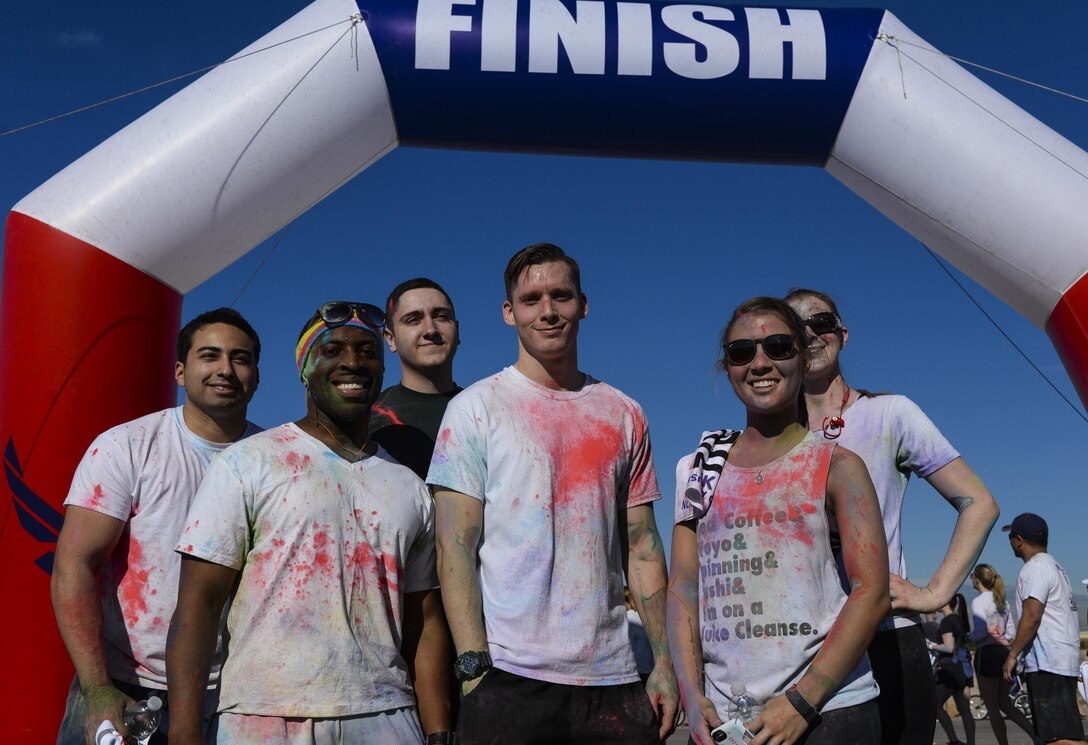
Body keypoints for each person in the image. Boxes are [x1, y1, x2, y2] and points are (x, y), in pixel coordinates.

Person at [166, 301, 452, 745]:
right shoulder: (249, 462)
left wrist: (438, 730)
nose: (352, 362)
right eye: (332, 350)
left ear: (381, 368)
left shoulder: (409, 486)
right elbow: (197, 608)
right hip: (263, 714)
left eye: (367, 352)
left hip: (387, 715)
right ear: (304, 369)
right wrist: (184, 732)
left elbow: (425, 623)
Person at [429, 243, 679, 745]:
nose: (547, 310)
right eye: (531, 299)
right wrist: (474, 669)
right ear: (509, 312)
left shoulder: (624, 412)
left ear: (582, 305)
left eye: (560, 296)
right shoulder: (475, 408)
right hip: (509, 677)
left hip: (613, 678)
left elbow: (642, 544)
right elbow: (454, 546)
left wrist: (663, 663)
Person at [668, 296, 889, 745]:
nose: (760, 363)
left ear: (803, 358)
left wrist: (802, 702)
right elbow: (684, 587)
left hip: (828, 713)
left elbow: (872, 590)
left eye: (778, 347)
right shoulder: (699, 467)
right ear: (727, 367)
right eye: (741, 352)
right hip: (726, 721)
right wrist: (691, 694)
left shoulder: (838, 466)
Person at [784, 288, 1000, 745]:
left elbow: (979, 503)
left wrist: (933, 593)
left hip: (886, 637)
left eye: (821, 323)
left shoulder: (889, 414)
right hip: (801, 644)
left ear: (843, 334)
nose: (811, 335)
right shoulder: (772, 435)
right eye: (796, 328)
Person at [51, 308, 262, 745]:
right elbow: (74, 566)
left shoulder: (275, 459)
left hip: (237, 696)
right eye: (210, 355)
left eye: (240, 358)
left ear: (257, 377)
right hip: (126, 687)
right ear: (180, 372)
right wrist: (97, 688)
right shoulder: (127, 446)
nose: (225, 369)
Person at [1002, 513, 1084, 745]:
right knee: (1057, 736)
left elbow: (1031, 615)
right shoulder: (1055, 566)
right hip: (1059, 661)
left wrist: (1013, 654)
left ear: (1019, 540)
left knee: (1057, 739)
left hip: (1049, 664)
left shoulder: (1035, 568)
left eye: (1010, 537)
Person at [372, 278, 462, 480]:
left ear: (457, 331)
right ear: (391, 339)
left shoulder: (485, 410)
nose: (430, 330)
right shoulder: (367, 422)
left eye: (441, 316)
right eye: (413, 319)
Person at [969, 563, 1036, 745]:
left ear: (977, 579)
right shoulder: (1002, 601)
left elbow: (980, 632)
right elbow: (1011, 632)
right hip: (1004, 654)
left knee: (992, 707)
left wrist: (967, 636)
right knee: (1005, 703)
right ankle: (1035, 735)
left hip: (987, 655)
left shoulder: (978, 602)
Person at [929, 594, 976, 745]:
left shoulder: (947, 621)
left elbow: (948, 647)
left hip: (951, 670)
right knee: (965, 710)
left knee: (935, 704)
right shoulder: (958, 620)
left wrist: (930, 645)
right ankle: (971, 742)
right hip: (963, 669)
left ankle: (954, 740)